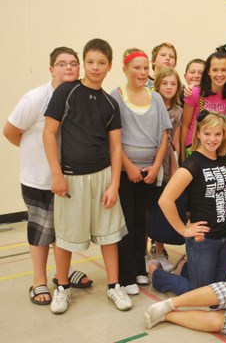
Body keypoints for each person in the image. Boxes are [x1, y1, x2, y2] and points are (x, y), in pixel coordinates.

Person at [43, 38, 132, 314]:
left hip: (103, 177)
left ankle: (114, 287)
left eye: (101, 63)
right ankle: (62, 288)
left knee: (109, 236)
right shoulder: (66, 93)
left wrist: (114, 184)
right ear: (84, 63)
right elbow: (49, 133)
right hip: (71, 178)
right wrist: (56, 174)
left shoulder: (110, 103)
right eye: (91, 62)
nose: (95, 67)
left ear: (109, 66)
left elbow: (115, 146)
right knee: (66, 236)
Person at [3, 47, 93, 305]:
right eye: (62, 64)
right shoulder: (35, 98)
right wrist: (34, 154)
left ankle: (61, 276)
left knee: (63, 232)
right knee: (41, 233)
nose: (68, 68)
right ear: (51, 69)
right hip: (39, 180)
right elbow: (10, 131)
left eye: (73, 63)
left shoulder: (80, 97)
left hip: (69, 180)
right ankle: (39, 281)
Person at [152, 111, 226, 295]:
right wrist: (184, 230)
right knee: (200, 292)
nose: (212, 139)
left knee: (219, 292)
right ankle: (158, 275)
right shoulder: (192, 165)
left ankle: (187, 269)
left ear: (224, 135)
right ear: (198, 134)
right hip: (204, 239)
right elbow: (165, 200)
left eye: (217, 134)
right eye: (207, 133)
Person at [110, 49, 171, 295]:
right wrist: (128, 166)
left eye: (146, 68)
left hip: (148, 172)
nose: (142, 72)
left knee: (141, 222)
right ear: (125, 69)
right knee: (126, 222)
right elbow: (112, 139)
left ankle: (139, 269)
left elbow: (164, 134)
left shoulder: (155, 98)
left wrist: (156, 166)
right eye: (137, 67)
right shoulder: (116, 97)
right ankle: (125, 276)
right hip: (126, 172)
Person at [147, 66, 185, 271]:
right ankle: (143, 252)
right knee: (147, 207)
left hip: (168, 164)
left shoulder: (178, 111)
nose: (169, 87)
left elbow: (177, 142)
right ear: (157, 85)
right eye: (165, 83)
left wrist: (177, 168)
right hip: (150, 162)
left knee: (161, 207)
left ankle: (159, 250)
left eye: (173, 84)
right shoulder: (150, 105)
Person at [180, 45, 226, 161]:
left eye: (224, 70)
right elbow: (184, 126)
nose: (219, 74)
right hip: (194, 149)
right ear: (208, 71)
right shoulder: (195, 93)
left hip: (216, 151)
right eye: (215, 70)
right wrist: (182, 155)